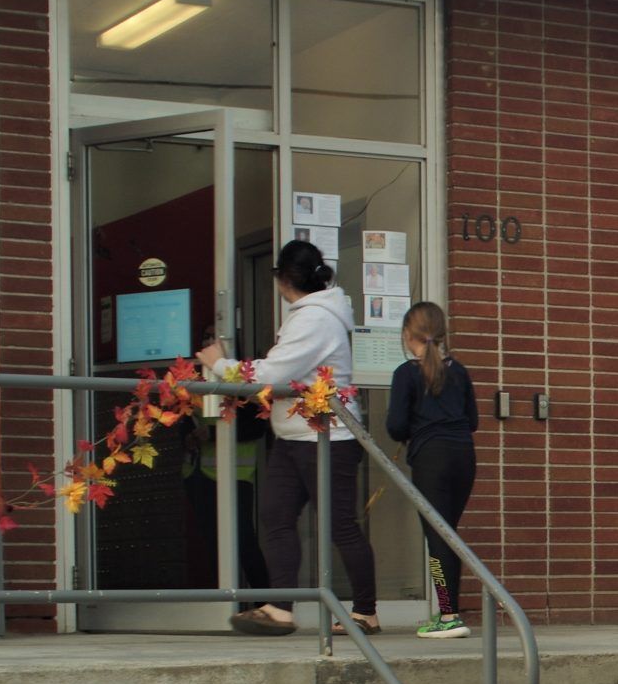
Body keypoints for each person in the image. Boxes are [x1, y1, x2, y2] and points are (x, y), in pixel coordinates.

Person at [200, 239, 374, 636]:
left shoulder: (316, 318)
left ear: (282, 279)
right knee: (276, 516)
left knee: (339, 525)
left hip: (328, 437)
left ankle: (366, 611)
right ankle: (280, 609)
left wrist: (220, 364)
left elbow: (274, 375)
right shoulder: (307, 315)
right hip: (295, 435)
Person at [386, 301, 479, 639]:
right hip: (464, 457)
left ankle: (448, 614)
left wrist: (415, 425)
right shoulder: (460, 371)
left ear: (408, 335)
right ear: (442, 335)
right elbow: (474, 421)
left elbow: (395, 426)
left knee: (437, 538)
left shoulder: (405, 374)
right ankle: (449, 610)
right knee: (448, 534)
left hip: (431, 459)